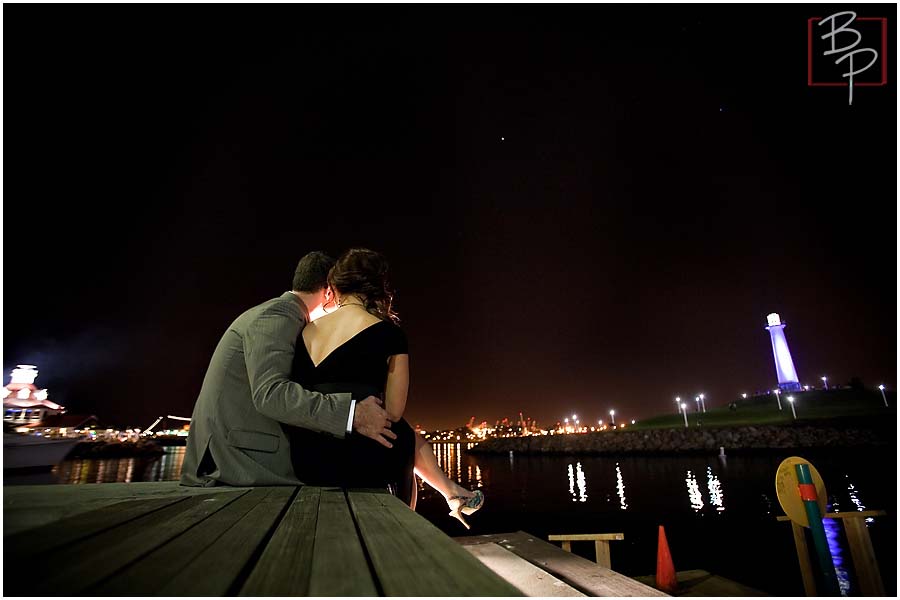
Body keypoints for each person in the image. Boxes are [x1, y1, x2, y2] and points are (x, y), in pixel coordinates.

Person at [285, 248, 484, 528]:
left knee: (401, 434)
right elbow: (393, 410)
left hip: (308, 456)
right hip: (362, 455)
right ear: (377, 288)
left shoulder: (306, 330)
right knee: (401, 432)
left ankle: (452, 493)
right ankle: (409, 528)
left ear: (336, 286)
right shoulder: (389, 333)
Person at [180, 251, 396, 487]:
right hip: (235, 463)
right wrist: (353, 414)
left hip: (235, 455)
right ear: (329, 291)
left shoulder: (278, 313)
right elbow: (270, 394)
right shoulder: (278, 315)